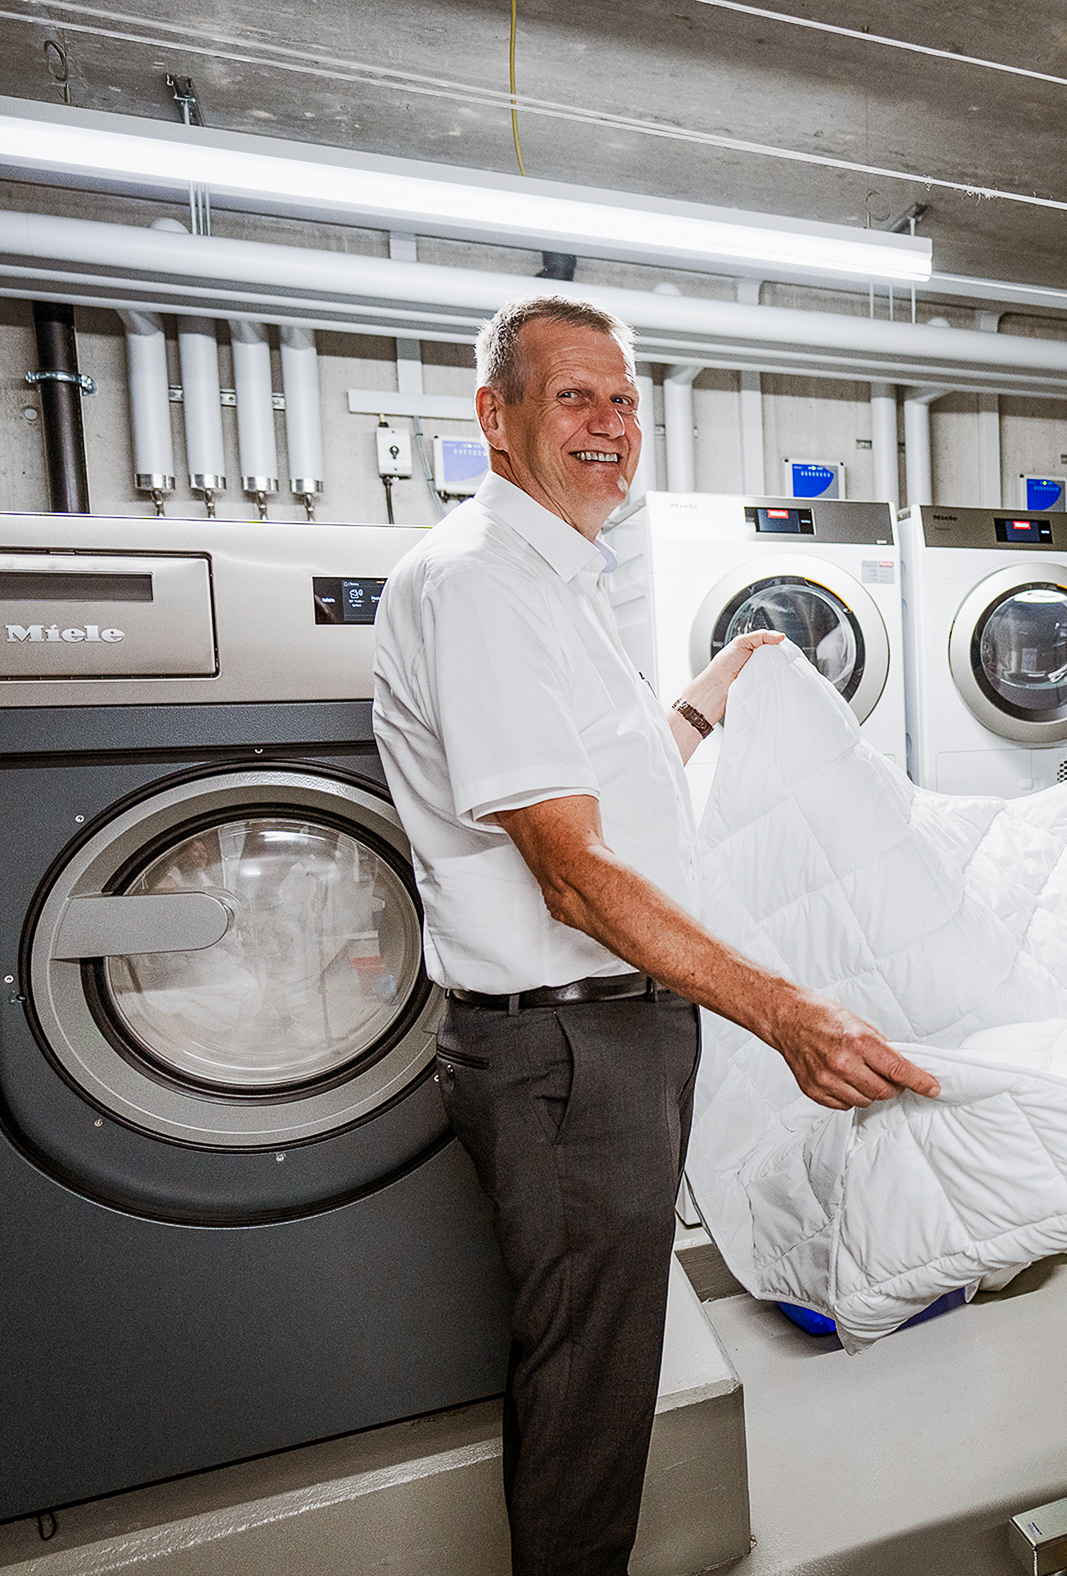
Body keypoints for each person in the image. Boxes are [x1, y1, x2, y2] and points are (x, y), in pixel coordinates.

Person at [372, 294, 939, 1576]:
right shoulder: (482, 587)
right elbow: (570, 876)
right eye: (573, 396)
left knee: (596, 1368)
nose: (610, 423)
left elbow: (606, 799)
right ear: (495, 419)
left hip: (600, 1039)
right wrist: (783, 1011)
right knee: (587, 1387)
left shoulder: (557, 586)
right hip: (565, 1048)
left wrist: (704, 695)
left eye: (624, 400)